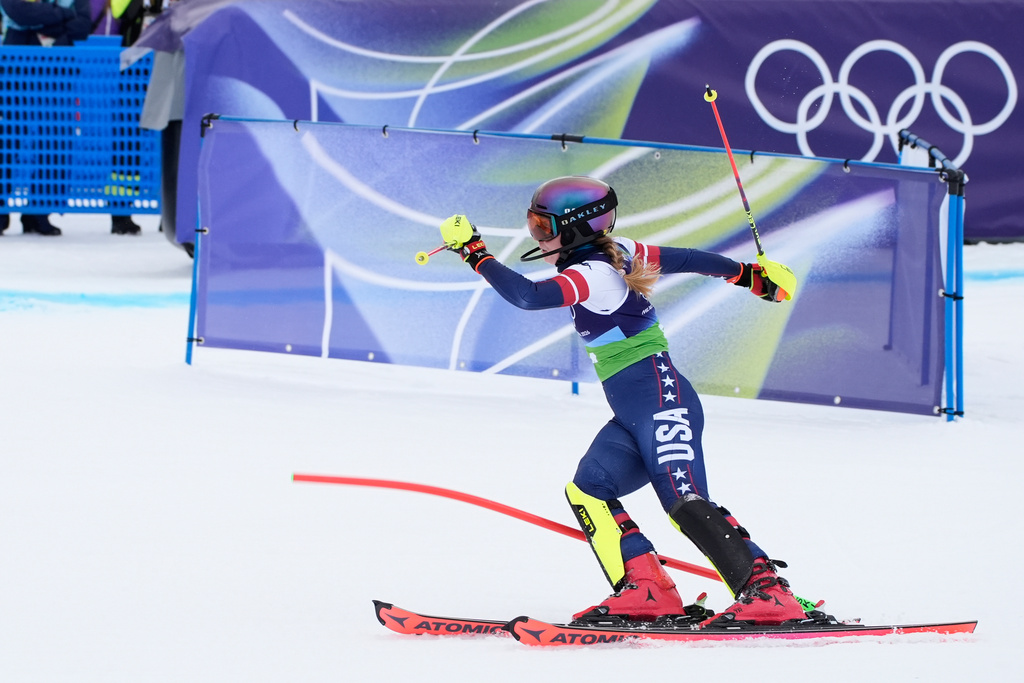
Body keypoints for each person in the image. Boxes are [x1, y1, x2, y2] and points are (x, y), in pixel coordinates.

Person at [438, 176, 806, 627]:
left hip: (661, 399)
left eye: (541, 226)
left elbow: (527, 297)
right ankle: (647, 589)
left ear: (572, 230)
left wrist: (476, 253)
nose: (536, 236)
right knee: (589, 488)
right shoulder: (620, 250)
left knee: (684, 500)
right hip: (634, 412)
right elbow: (689, 259)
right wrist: (746, 275)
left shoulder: (594, 274)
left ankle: (767, 594)